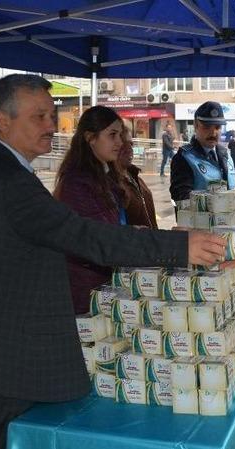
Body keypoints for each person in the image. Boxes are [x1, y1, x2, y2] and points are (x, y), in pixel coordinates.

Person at [0, 74, 226, 449]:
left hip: (2, 346)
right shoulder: (6, 177)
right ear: (3, 122)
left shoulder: (0, 168)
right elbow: (85, 235)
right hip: (4, 355)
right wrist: (179, 248)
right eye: (39, 115)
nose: (50, 124)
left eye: (51, 113)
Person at [53, 106, 157, 314]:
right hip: (88, 293)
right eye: (112, 135)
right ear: (91, 138)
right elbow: (103, 239)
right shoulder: (78, 182)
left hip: (106, 285)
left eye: (120, 135)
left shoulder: (105, 174)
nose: (120, 142)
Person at [169, 101, 235, 201]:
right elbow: (182, 199)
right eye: (207, 127)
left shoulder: (226, 155)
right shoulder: (184, 158)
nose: (213, 133)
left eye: (217, 127)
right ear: (196, 126)